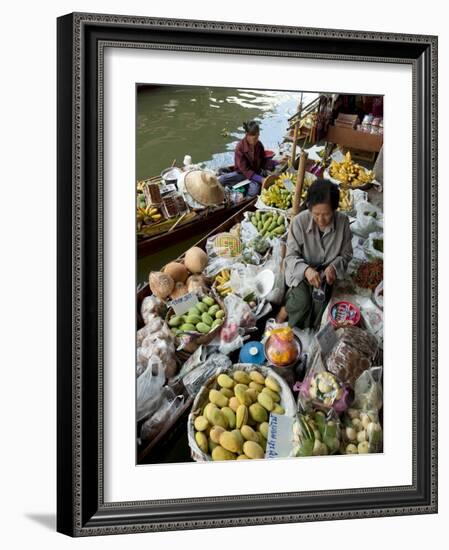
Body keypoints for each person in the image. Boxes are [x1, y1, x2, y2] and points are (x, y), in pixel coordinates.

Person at [279, 178, 353, 329]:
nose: (321, 219)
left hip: (325, 273)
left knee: (320, 305)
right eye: (316, 214)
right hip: (301, 270)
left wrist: (333, 267)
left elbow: (347, 254)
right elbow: (291, 256)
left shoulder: (343, 222)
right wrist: (306, 270)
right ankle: (284, 313)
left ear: (334, 209)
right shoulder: (299, 221)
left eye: (326, 214)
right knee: (302, 302)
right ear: (309, 208)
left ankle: (308, 331)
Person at [218, 120, 278, 197]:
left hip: (255, 172)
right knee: (222, 180)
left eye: (258, 136)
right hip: (242, 173)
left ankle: (245, 200)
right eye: (255, 137)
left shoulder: (259, 145)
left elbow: (263, 161)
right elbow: (245, 171)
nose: (257, 139)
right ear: (247, 135)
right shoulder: (240, 147)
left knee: (254, 191)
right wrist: (261, 179)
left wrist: (276, 162)